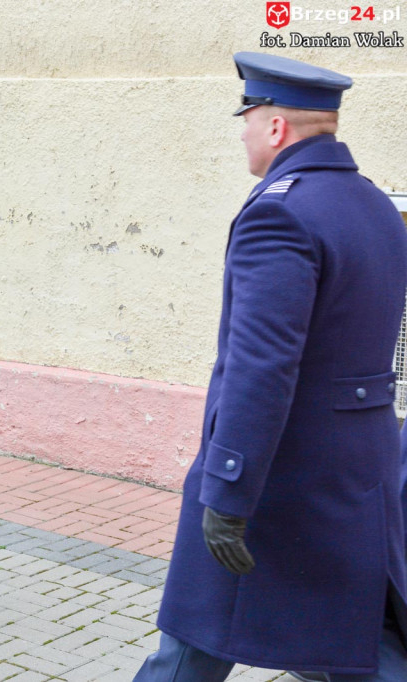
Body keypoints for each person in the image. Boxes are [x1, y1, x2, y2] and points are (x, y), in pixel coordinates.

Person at [135, 52, 407, 681]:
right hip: (360, 473)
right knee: (360, 641)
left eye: (247, 119)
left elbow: (262, 365)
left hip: (276, 476)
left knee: (194, 641)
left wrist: (228, 487)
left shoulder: (277, 212)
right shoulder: (373, 206)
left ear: (276, 127)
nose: (243, 133)